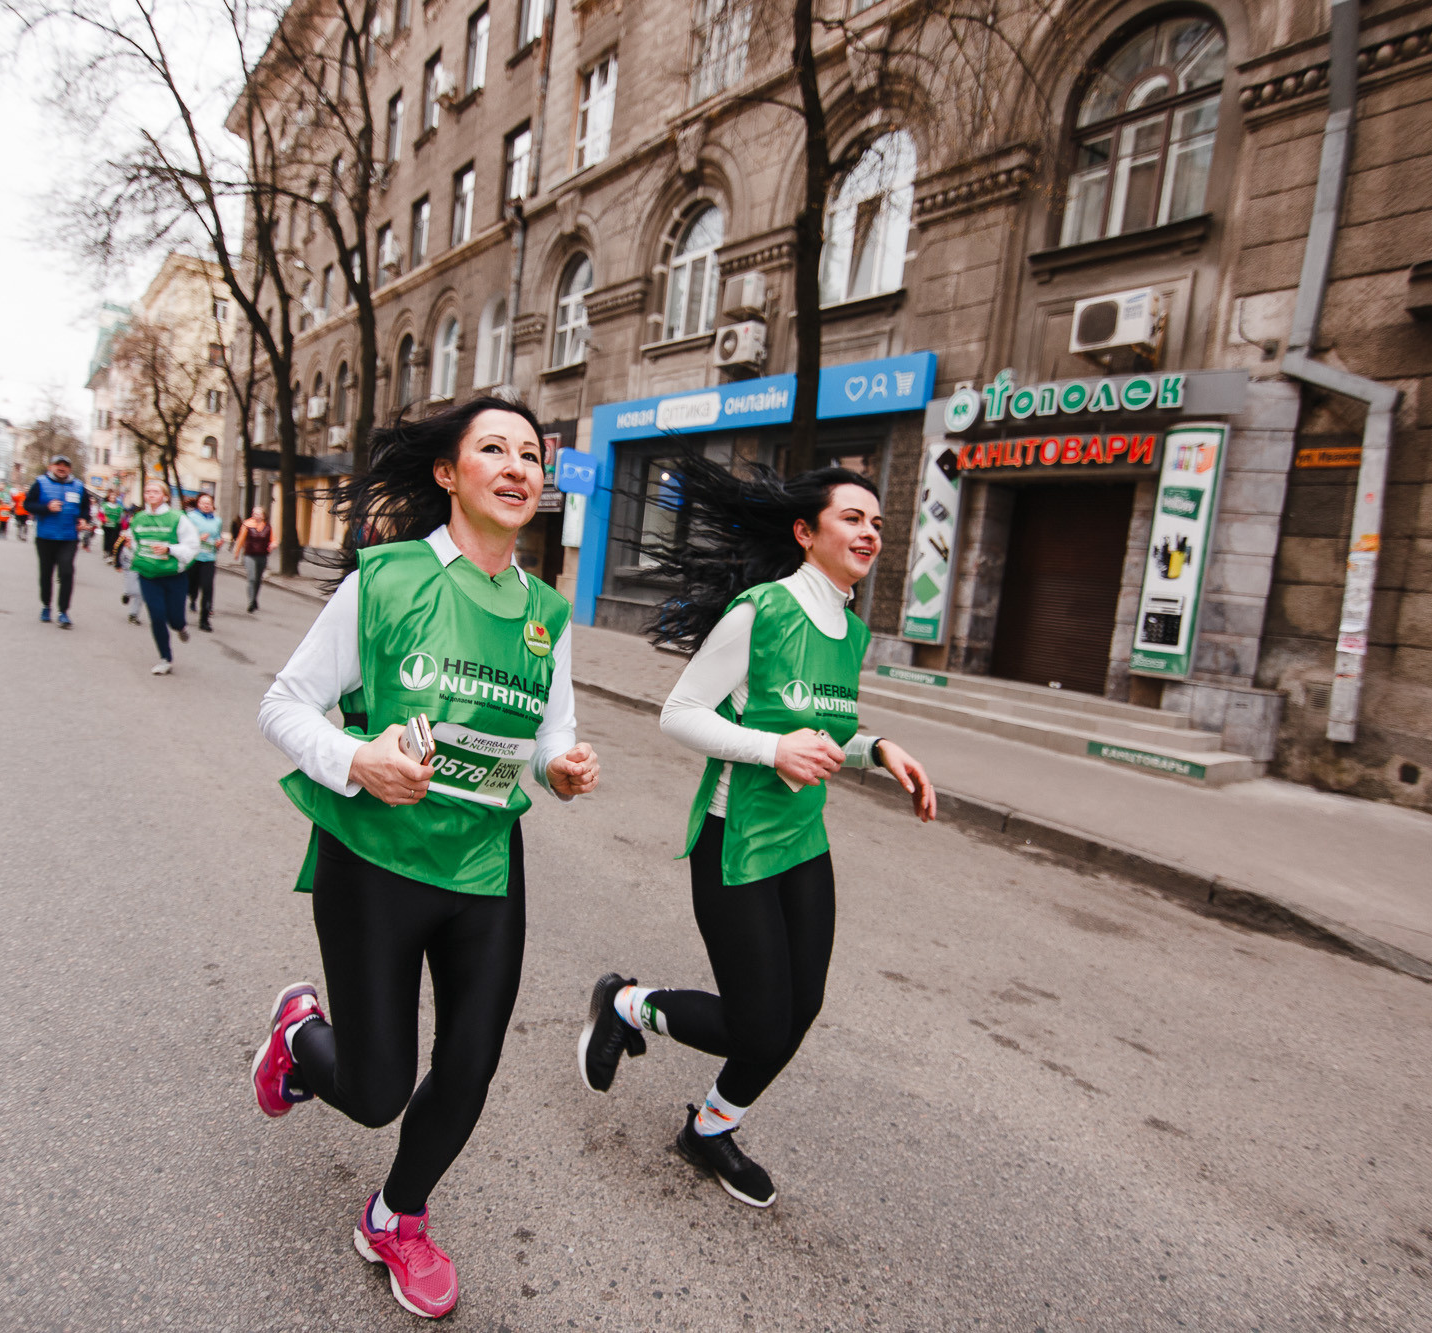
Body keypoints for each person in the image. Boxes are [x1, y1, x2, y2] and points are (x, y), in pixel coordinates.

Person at [251, 397, 599, 1322]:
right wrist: (357, 759)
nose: (519, 465)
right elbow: (283, 707)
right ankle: (298, 1036)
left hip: (485, 862)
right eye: (494, 448)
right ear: (449, 473)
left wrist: (562, 767)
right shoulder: (385, 580)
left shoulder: (546, 612)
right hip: (376, 856)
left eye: (532, 453)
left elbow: (547, 739)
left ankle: (397, 1215)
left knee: (472, 1061)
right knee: (374, 1091)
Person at [576, 458, 937, 1212]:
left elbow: (825, 726)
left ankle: (710, 1128)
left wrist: (878, 749)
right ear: (807, 533)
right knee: (757, 1021)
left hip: (803, 841)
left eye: (877, 521)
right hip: (733, 836)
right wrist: (771, 750)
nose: (869, 531)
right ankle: (625, 1005)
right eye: (852, 517)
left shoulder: (852, 628)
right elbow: (679, 712)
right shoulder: (761, 612)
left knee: (800, 1009)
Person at [120, 479, 198, 673]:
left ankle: (181, 627)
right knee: (156, 616)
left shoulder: (177, 518)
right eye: (147, 491)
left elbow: (192, 545)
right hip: (148, 575)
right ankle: (165, 658)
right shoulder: (138, 519)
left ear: (165, 496)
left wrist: (169, 549)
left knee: (175, 619)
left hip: (173, 575)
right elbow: (136, 544)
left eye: (155, 491)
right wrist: (131, 547)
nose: (150, 494)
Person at [24, 454, 92, 628]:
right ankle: (46, 606)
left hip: (69, 538)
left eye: (65, 465)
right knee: (46, 573)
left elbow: (85, 508)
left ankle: (63, 612)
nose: (61, 468)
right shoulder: (40, 483)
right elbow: (28, 505)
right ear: (50, 467)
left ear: (70, 468)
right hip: (45, 536)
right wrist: (46, 508)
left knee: (67, 572)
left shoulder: (78, 486)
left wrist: (84, 519)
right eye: (58, 465)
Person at [183, 492, 225, 632]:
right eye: (203, 503)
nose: (206, 505)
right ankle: (188, 602)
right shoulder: (190, 517)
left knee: (207, 588)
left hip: (209, 558)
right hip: (193, 557)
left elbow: (217, 536)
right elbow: (183, 536)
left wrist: (219, 543)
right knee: (190, 586)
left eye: (209, 503)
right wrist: (197, 538)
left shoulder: (217, 521)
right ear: (198, 504)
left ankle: (204, 620)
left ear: (213, 505)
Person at [237, 505, 274, 613]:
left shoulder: (268, 527)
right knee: (252, 578)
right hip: (249, 555)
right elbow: (241, 539)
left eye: (258, 513)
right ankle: (250, 602)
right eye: (254, 513)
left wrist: (273, 545)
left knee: (258, 580)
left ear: (263, 516)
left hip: (262, 556)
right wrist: (237, 552)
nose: (255, 515)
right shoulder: (247, 524)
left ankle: (254, 598)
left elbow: (273, 539)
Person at [100, 494, 124, 559]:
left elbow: (121, 517)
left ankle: (111, 553)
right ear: (109, 498)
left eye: (114, 498)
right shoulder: (105, 506)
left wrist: (120, 524)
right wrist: (103, 520)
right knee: (106, 539)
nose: (113, 499)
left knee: (113, 540)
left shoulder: (119, 507)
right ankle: (106, 551)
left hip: (115, 526)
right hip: (106, 525)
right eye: (111, 498)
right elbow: (100, 514)